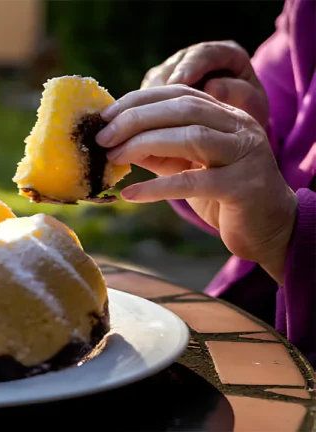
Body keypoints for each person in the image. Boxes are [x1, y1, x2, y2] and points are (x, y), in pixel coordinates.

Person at [95, 0, 315, 363]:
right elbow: (263, 185)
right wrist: (229, 142)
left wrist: (287, 232)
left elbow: (281, 215)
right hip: (243, 331)